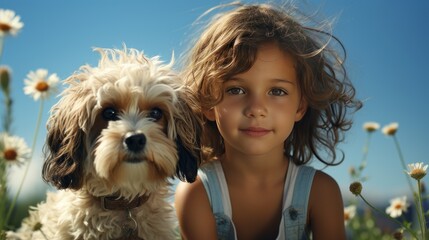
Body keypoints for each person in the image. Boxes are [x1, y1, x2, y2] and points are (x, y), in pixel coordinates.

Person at [175, 2, 362, 239]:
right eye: (236, 90)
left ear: (300, 106)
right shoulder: (197, 193)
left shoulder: (321, 192)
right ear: (207, 102)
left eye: (277, 92)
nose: (256, 109)